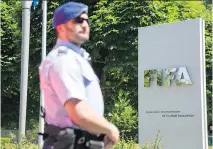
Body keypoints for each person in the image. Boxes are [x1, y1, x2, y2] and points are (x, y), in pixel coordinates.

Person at [38, 1, 120, 149]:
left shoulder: (75, 58)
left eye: (86, 20)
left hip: (80, 141)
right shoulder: (63, 60)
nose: (84, 24)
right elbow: (78, 112)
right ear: (61, 27)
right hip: (70, 142)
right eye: (78, 20)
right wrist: (110, 129)